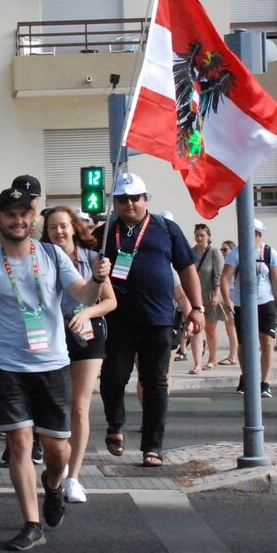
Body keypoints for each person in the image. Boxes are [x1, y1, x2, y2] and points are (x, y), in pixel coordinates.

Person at [0, 183, 106, 551]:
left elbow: (83, 296)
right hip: (8, 366)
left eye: (24, 214)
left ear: (32, 219)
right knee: (20, 444)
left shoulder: (54, 256)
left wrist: (98, 279)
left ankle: (53, 486)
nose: (18, 220)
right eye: (11, 215)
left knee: (58, 450)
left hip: (52, 364)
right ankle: (31, 523)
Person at [98, 173, 204, 468]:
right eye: (122, 199)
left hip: (157, 319)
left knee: (155, 383)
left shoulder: (166, 228)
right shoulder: (106, 232)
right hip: (117, 320)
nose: (129, 203)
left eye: (135, 198)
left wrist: (197, 308)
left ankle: (152, 446)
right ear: (115, 202)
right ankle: (114, 425)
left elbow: (186, 269)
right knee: (112, 378)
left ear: (146, 199)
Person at [41, 206, 116, 503]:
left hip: (87, 336)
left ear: (74, 228)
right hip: (51, 336)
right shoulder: (41, 260)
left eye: (63, 226)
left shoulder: (92, 259)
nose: (59, 232)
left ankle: (73, 477)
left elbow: (110, 301)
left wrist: (87, 312)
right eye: (52, 228)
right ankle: (55, 467)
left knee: (80, 407)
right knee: (55, 405)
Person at [225, 219, 277, 399]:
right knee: (244, 344)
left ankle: (265, 382)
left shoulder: (269, 253)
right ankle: (247, 377)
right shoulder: (236, 253)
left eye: (254, 233)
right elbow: (225, 278)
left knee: (267, 342)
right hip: (243, 304)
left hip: (265, 302)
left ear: (259, 234)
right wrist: (228, 299)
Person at [188, 224, 224, 375]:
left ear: (208, 236)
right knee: (196, 328)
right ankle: (197, 363)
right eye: (197, 235)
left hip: (210, 294)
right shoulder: (191, 252)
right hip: (195, 295)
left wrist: (217, 294)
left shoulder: (214, 252)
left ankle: (212, 359)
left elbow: (219, 275)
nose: (199, 238)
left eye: (202, 235)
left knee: (210, 328)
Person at [217, 240, 238, 366]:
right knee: (229, 327)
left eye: (225, 250)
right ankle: (232, 355)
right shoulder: (224, 264)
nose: (222, 252)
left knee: (231, 327)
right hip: (227, 296)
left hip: (233, 296)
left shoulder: (234, 264)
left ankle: (232, 356)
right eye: (221, 250)